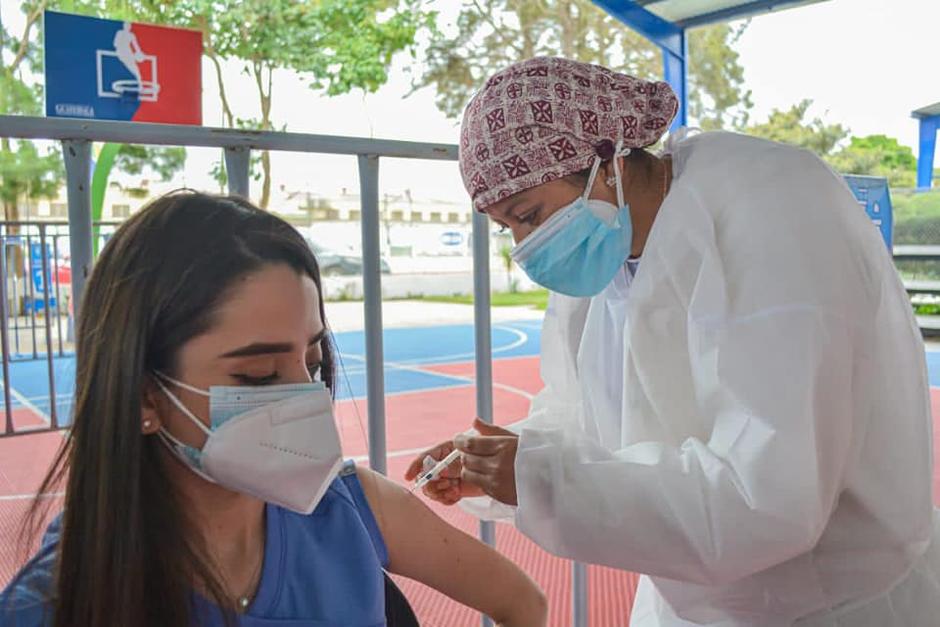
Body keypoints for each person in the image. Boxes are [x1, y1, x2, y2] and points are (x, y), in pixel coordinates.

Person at [406, 56, 940, 626]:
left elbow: (769, 498)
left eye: (529, 215)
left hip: (833, 605)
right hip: (690, 599)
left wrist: (537, 478)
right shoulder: (606, 253)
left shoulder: (773, 214)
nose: (526, 247)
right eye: (507, 229)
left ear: (605, 157)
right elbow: (576, 416)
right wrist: (499, 460)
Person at [0, 191, 547, 627]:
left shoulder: (353, 509)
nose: (305, 397)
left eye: (312, 362)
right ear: (145, 394)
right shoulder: (54, 605)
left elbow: (522, 602)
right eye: (256, 376)